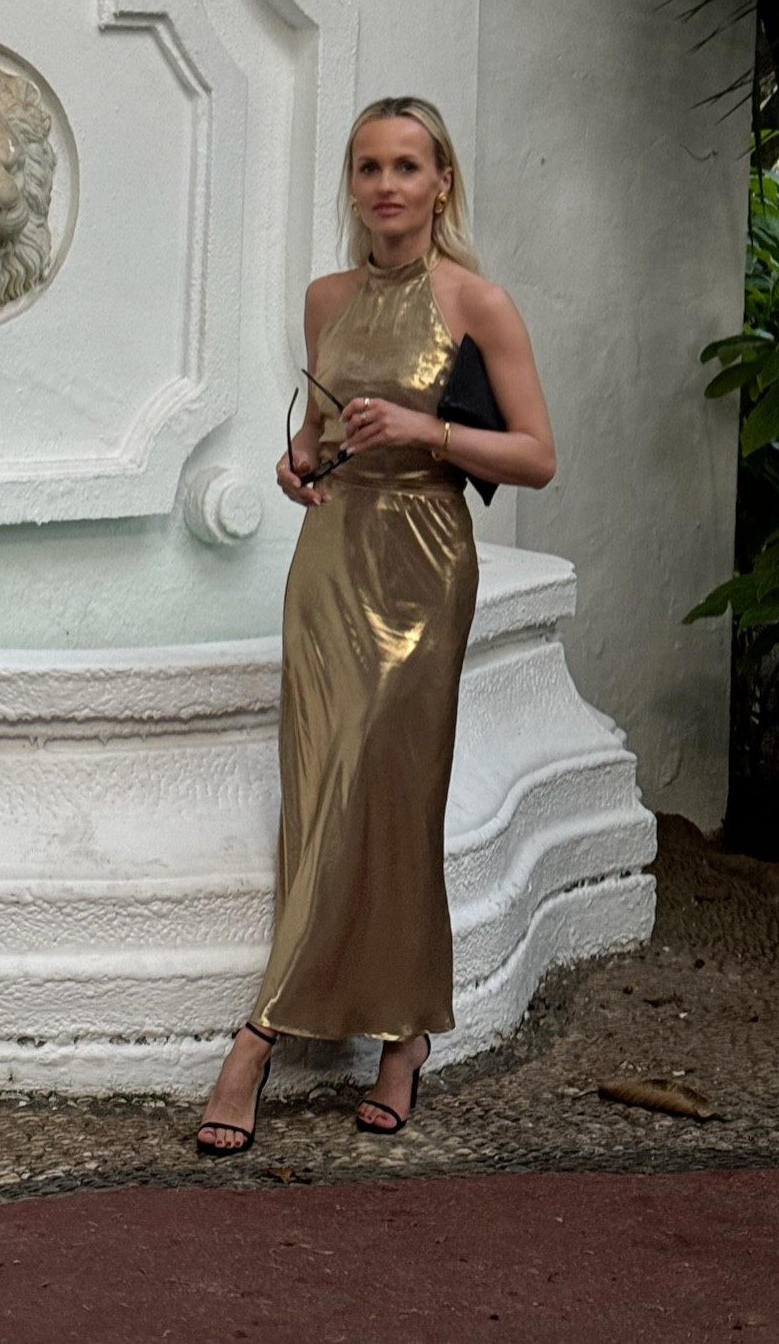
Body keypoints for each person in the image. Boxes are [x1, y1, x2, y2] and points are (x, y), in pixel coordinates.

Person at [194, 95, 556, 1154]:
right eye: (368, 167)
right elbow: (322, 429)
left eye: (408, 165)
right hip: (332, 559)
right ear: (351, 184)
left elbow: (536, 454)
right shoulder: (326, 298)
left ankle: (267, 1039)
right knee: (321, 785)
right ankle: (393, 1034)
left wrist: (429, 429)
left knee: (390, 786)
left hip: (423, 566)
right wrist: (302, 459)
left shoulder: (477, 302)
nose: (387, 185)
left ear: (442, 181)